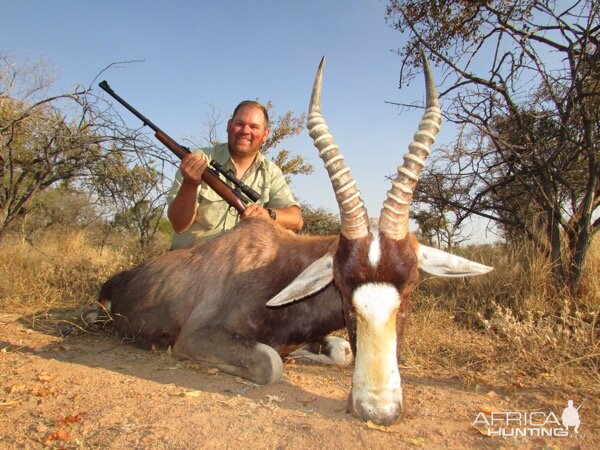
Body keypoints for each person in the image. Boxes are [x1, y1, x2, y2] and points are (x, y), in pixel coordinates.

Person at [167, 100, 303, 249]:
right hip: (191, 264)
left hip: (238, 267)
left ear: (265, 134)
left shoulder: (271, 172)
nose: (245, 131)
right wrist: (190, 184)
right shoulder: (200, 159)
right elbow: (179, 225)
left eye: (254, 127)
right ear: (229, 125)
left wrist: (267, 215)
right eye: (240, 124)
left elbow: (296, 219)